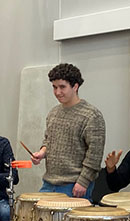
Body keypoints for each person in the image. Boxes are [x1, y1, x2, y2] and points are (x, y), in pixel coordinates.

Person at [31, 63, 105, 201]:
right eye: (54, 87)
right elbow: (49, 140)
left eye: (62, 87)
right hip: (49, 183)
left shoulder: (92, 115)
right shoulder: (53, 113)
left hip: (74, 185)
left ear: (75, 86)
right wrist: (42, 153)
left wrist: (83, 181)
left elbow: (95, 154)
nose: (57, 92)